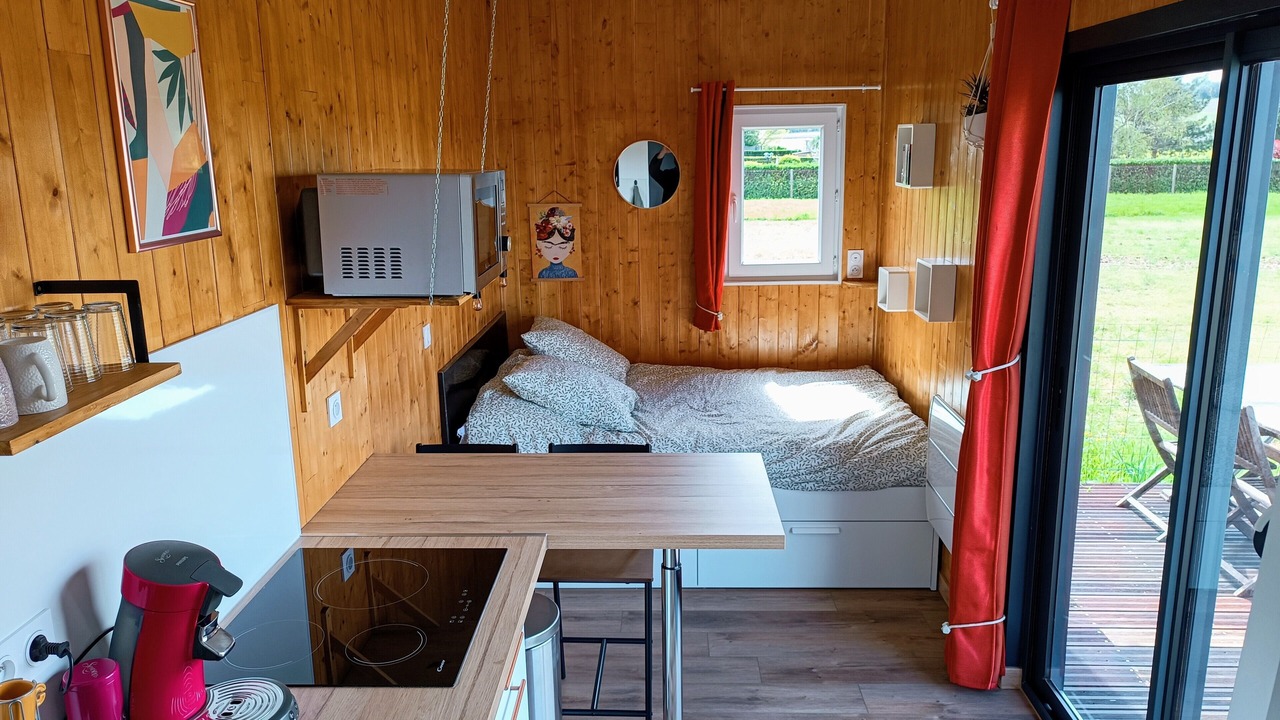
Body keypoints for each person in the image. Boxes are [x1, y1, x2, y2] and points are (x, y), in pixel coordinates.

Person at [534, 206, 579, 279]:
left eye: (562, 247)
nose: (555, 252)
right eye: (548, 246)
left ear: (571, 246)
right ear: (538, 245)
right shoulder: (543, 273)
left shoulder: (571, 273)